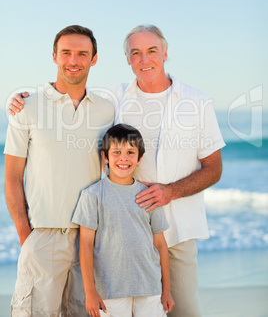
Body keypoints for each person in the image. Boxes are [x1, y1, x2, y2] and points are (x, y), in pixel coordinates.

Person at [7, 24, 225, 317]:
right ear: (127, 58)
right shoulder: (112, 100)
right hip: (97, 234)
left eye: (151, 51)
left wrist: (171, 191)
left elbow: (213, 168)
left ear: (165, 53)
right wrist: (16, 98)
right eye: (135, 53)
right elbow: (13, 172)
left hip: (169, 230)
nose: (144, 59)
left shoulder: (191, 103)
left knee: (182, 311)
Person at [4, 25, 114, 316]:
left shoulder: (107, 110)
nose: (73, 60)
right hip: (43, 236)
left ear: (94, 59)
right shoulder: (26, 107)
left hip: (91, 238)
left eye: (82, 53)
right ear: (54, 56)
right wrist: (26, 235)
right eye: (66, 53)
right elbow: (12, 175)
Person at [72, 123, 175, 317]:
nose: (123, 158)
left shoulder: (148, 195)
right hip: (111, 290)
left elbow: (160, 244)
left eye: (130, 152)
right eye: (117, 152)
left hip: (150, 287)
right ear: (105, 157)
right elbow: (85, 244)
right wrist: (90, 291)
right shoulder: (93, 195)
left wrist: (166, 290)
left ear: (139, 159)